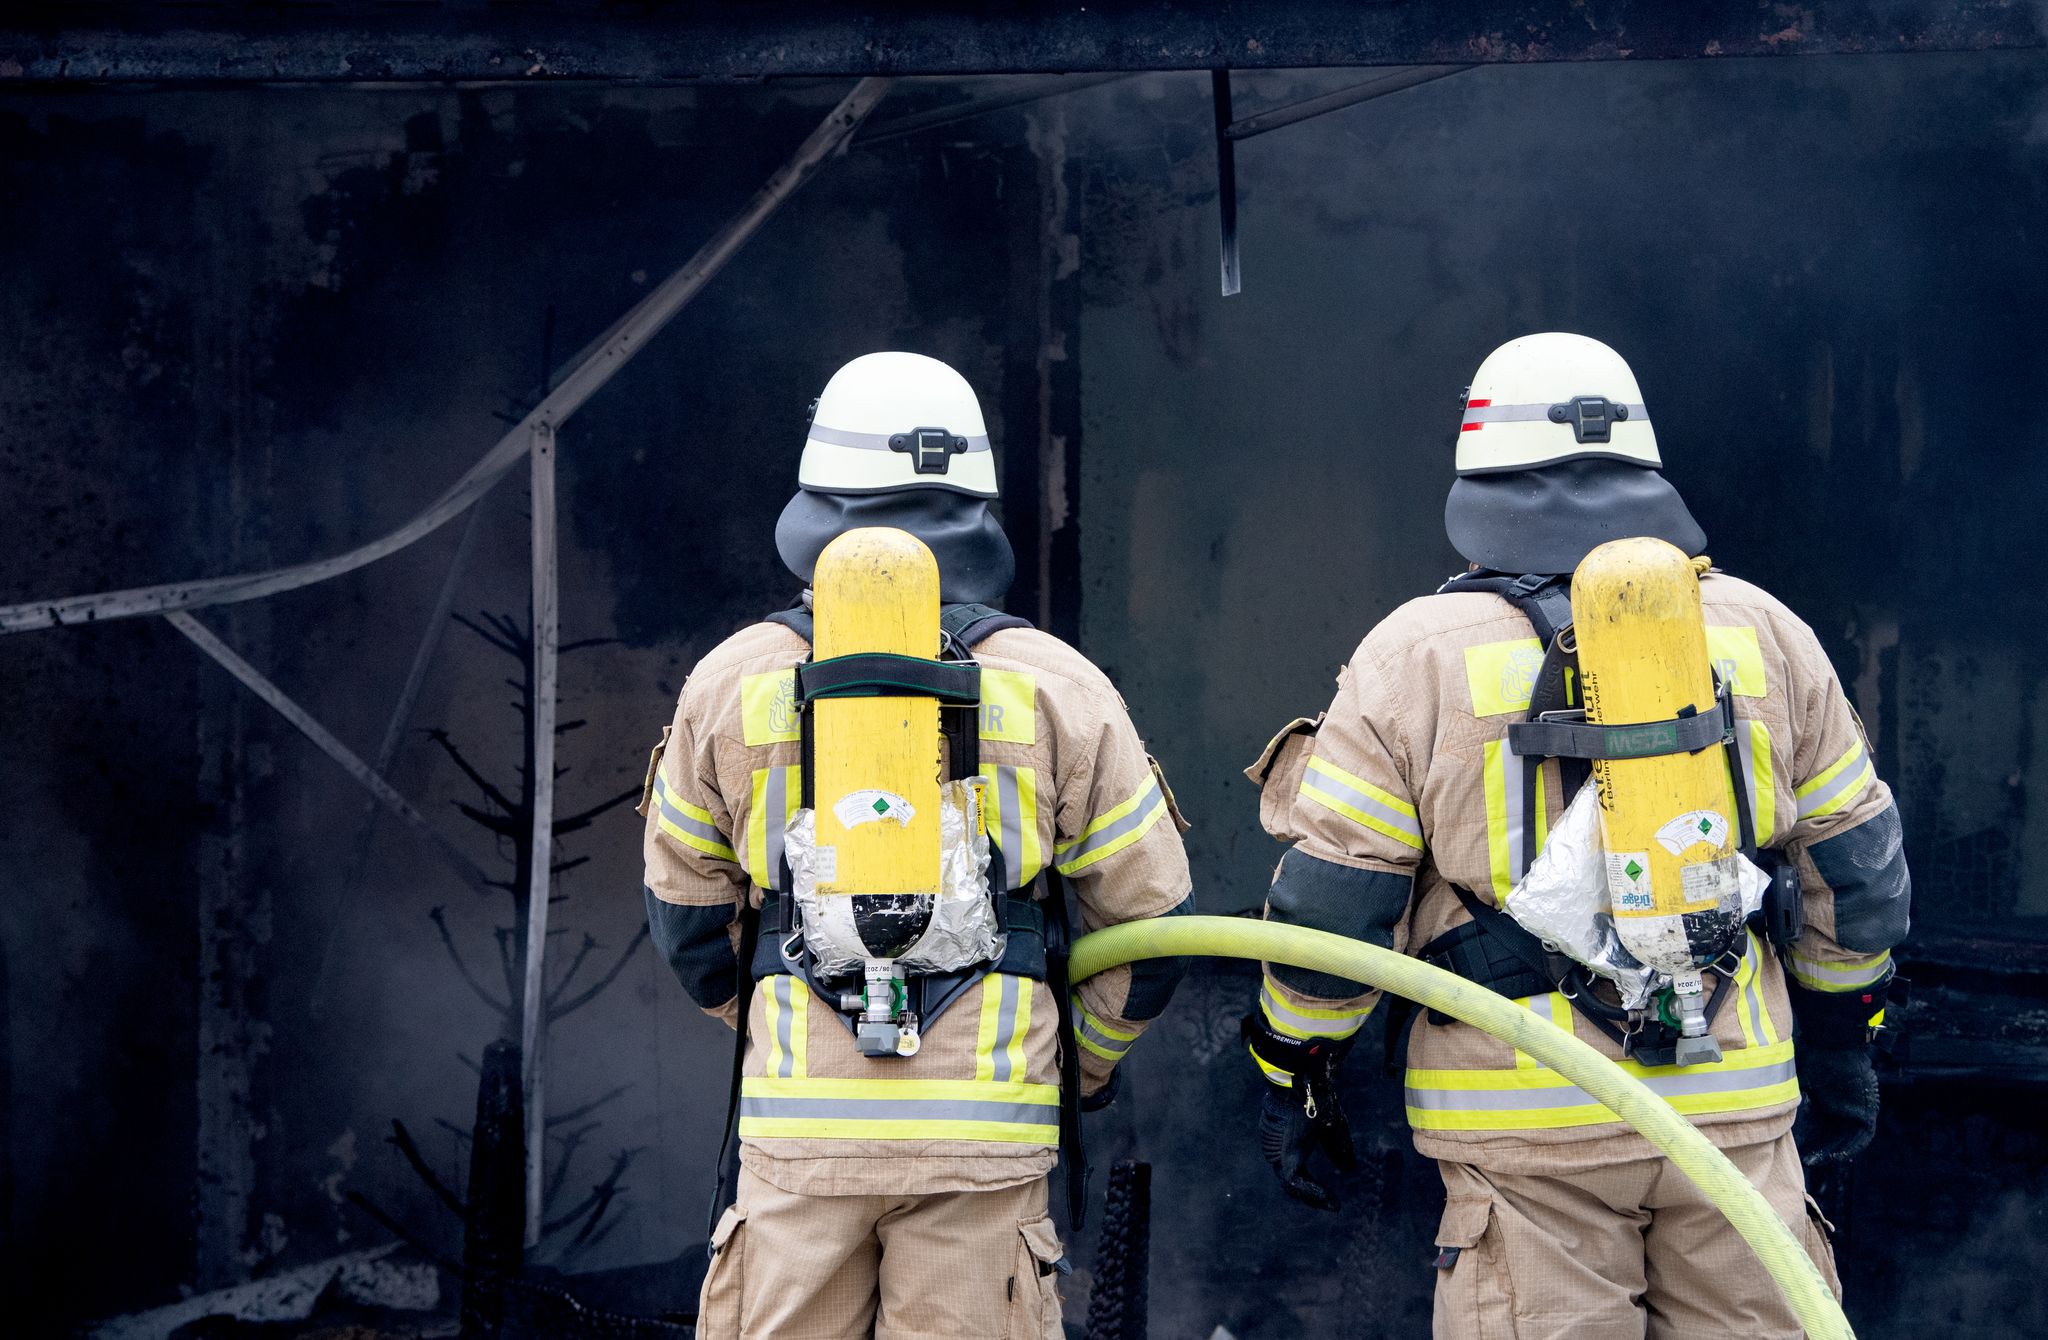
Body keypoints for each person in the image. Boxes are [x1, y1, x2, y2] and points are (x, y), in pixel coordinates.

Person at [1242, 332, 1910, 1338]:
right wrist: (1838, 1045)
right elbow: (1856, 877)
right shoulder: (1764, 631)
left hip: (1526, 1129)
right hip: (1726, 1115)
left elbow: (1334, 908)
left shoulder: (1411, 654)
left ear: (1478, 484)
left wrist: (1293, 1069)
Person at [640, 351, 1194, 1340]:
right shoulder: (1057, 685)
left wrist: (781, 1018)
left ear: (815, 505)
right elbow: (1147, 925)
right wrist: (1083, 1062)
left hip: (798, 1143)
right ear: (976, 511)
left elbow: (687, 923)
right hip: (983, 1134)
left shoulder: (729, 682)